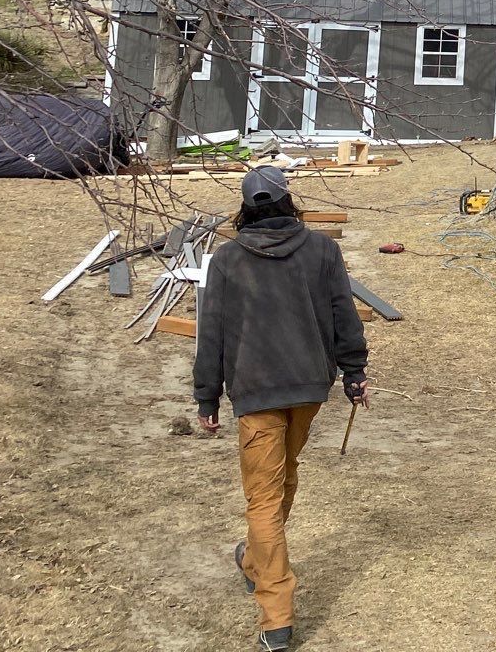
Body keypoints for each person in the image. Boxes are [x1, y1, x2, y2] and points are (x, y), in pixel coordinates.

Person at [194, 164, 369, 651]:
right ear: (289, 202)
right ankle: (254, 561)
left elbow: (211, 335)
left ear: (245, 208)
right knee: (282, 477)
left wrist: (207, 396)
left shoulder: (226, 259)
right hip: (308, 388)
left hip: (259, 393)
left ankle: (276, 617)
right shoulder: (320, 250)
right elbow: (344, 315)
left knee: (265, 499)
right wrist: (353, 374)